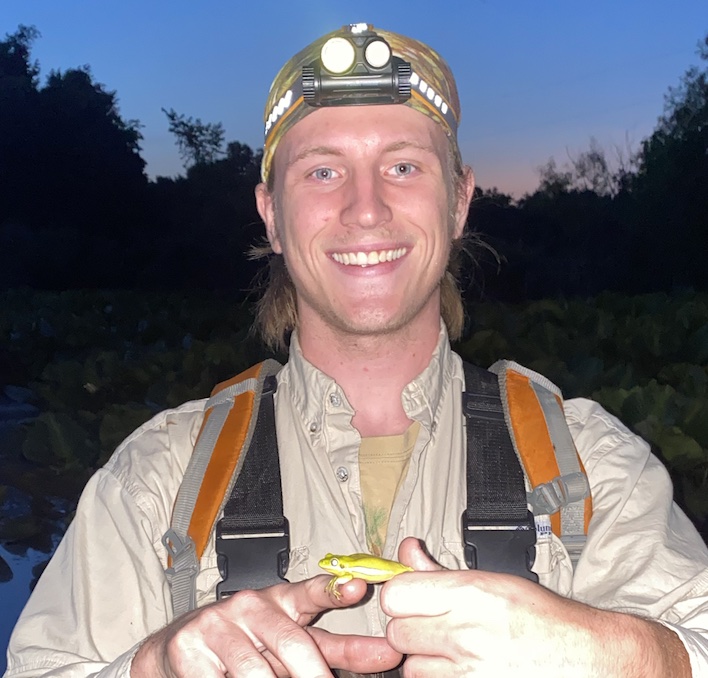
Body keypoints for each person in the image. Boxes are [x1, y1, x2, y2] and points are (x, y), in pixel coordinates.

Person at [5, 23, 708, 678]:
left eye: (403, 167)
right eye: (322, 171)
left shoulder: (591, 463)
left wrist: (622, 654)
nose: (365, 208)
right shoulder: (156, 480)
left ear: (459, 202)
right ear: (271, 214)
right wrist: (152, 665)